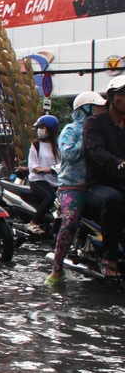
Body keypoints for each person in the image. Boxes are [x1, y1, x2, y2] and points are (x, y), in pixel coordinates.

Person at [46, 91, 106, 285]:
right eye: (98, 107)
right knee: (70, 222)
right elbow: (69, 154)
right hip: (72, 186)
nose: (102, 110)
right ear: (86, 109)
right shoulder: (70, 130)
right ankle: (57, 269)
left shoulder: (104, 129)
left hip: (98, 185)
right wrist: (87, 136)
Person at [83, 76, 125, 277]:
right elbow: (96, 151)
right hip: (98, 185)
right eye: (122, 94)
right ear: (111, 97)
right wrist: (119, 163)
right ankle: (109, 256)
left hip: (122, 182)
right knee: (113, 199)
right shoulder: (94, 123)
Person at [26, 115, 60, 235]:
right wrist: (41, 170)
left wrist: (53, 170)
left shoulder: (60, 144)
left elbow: (64, 162)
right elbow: (32, 164)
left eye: (42, 128)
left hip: (57, 181)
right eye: (39, 128)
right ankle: (33, 222)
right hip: (38, 180)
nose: (40, 130)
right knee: (51, 196)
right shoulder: (36, 144)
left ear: (51, 130)